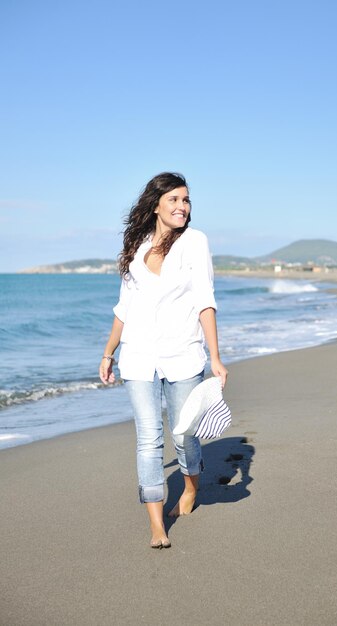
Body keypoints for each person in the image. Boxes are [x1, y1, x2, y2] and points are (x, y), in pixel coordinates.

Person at [99, 172, 228, 549]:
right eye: (173, 200)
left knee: (184, 434)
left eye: (186, 200)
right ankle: (157, 525)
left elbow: (205, 300)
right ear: (155, 204)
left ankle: (190, 488)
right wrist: (108, 352)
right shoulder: (137, 247)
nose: (182, 207)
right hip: (138, 357)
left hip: (183, 354)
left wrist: (215, 358)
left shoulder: (195, 242)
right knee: (148, 439)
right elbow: (124, 308)